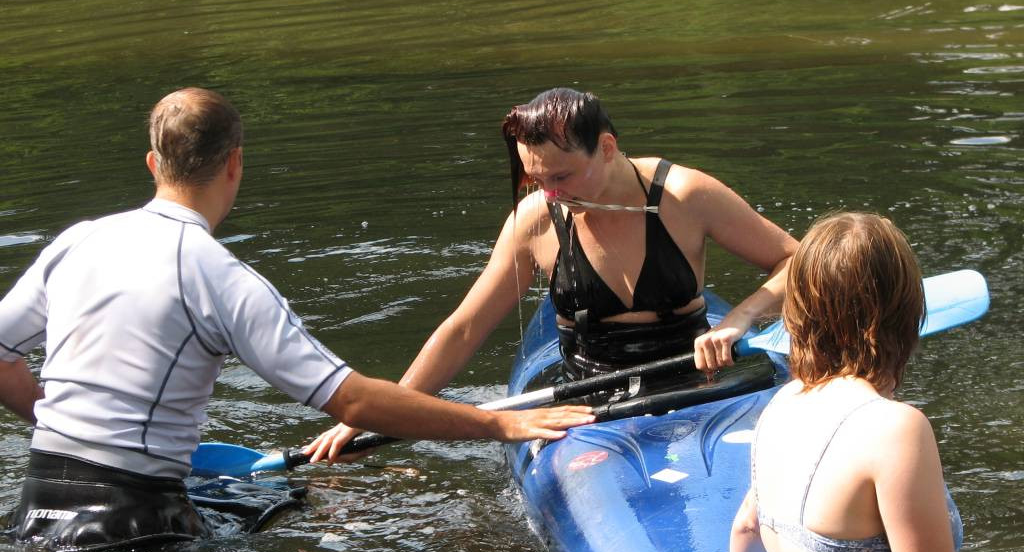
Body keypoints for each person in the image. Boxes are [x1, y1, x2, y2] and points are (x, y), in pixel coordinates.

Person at [0, 87, 593, 552]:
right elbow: (352, 401)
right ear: (235, 164)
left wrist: (62, 423)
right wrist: (499, 424)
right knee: (301, 512)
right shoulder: (222, 278)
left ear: (154, 163)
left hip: (36, 506)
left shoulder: (76, 242)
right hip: (137, 523)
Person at [307, 87, 797, 462]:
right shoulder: (535, 220)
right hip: (586, 397)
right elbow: (464, 329)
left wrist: (740, 318)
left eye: (561, 176)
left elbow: (797, 259)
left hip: (698, 385)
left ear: (607, 147)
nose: (551, 194)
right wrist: (382, 409)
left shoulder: (685, 195)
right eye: (537, 179)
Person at [683, 212, 1018, 552]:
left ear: (799, 312)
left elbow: (750, 522)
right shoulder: (895, 428)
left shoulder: (782, 406)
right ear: (905, 312)